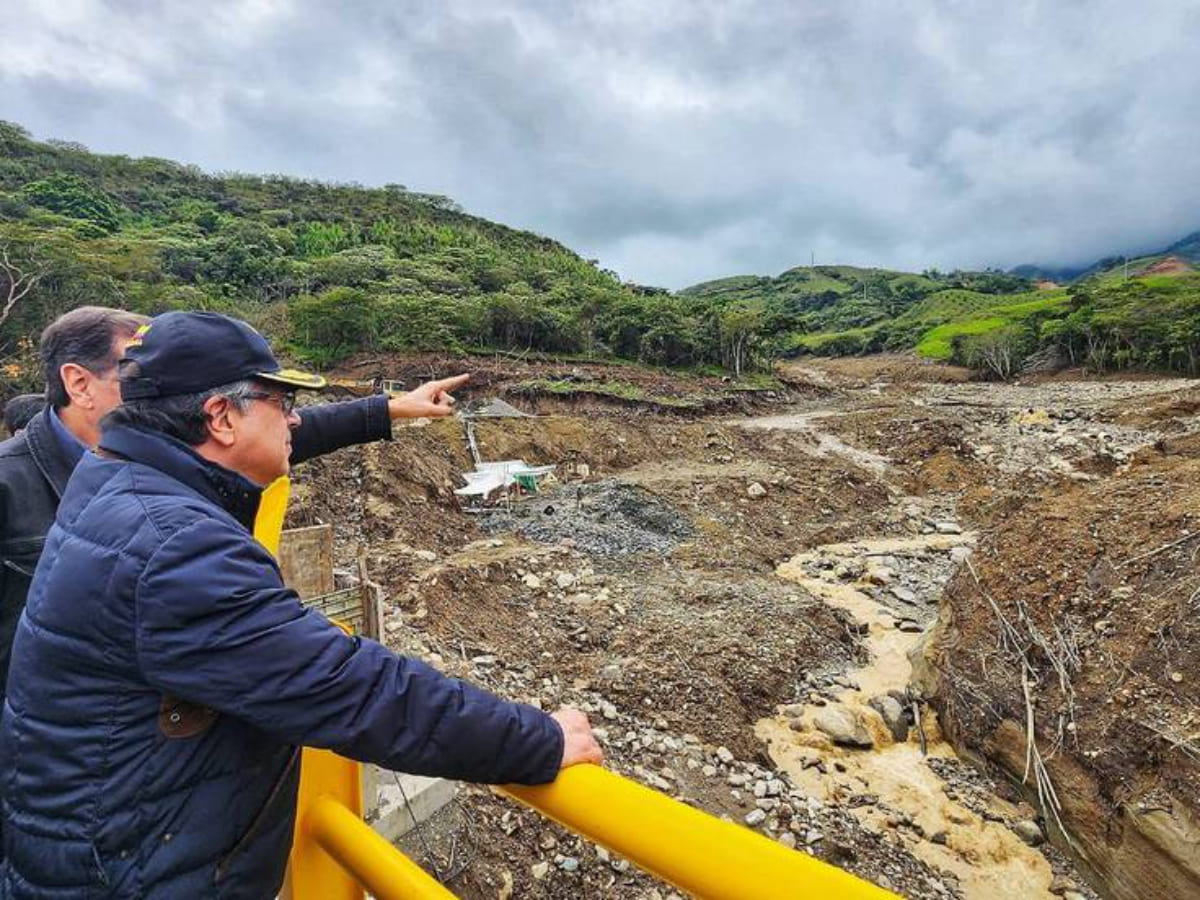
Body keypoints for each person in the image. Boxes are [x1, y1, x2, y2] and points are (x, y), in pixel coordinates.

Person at [0, 311, 602, 898]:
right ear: (219, 417)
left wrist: (387, 409)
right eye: (281, 404)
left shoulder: (116, 475)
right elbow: (349, 687)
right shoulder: (177, 546)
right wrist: (538, 740)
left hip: (104, 838)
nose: (294, 421)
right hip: (133, 872)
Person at [0, 305, 470, 706]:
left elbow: (276, 434)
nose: (156, 384)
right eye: (133, 371)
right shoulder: (16, 482)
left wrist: (390, 408)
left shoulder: (160, 457)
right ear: (79, 384)